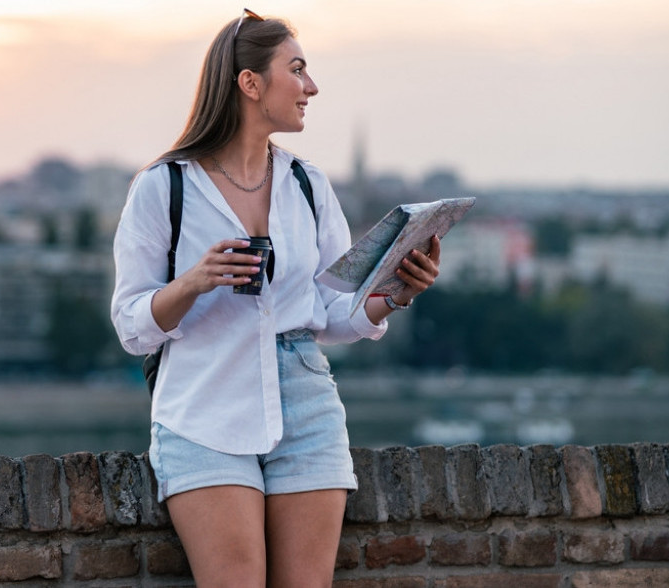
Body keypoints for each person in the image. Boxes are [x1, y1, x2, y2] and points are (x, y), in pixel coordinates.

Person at [110, 9, 441, 586]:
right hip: (203, 410)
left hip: (307, 406)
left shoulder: (307, 185)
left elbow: (333, 312)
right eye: (297, 69)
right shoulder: (163, 187)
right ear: (250, 83)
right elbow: (132, 326)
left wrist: (395, 292)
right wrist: (193, 280)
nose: (312, 86)